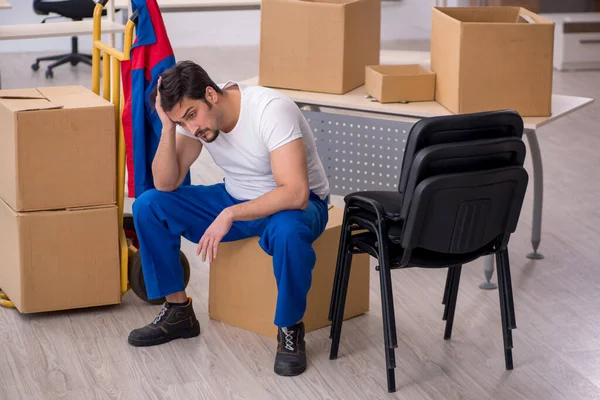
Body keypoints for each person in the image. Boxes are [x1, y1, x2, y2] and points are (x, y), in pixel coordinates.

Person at [127, 60, 330, 377]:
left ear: (211, 94)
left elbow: (295, 193)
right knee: (149, 205)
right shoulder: (196, 123)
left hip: (296, 206)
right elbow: (166, 183)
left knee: (288, 231)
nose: (192, 128)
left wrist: (230, 213)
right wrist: (169, 127)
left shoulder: (270, 110)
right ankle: (179, 312)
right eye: (182, 121)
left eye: (191, 115)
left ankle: (290, 329)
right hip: (235, 196)